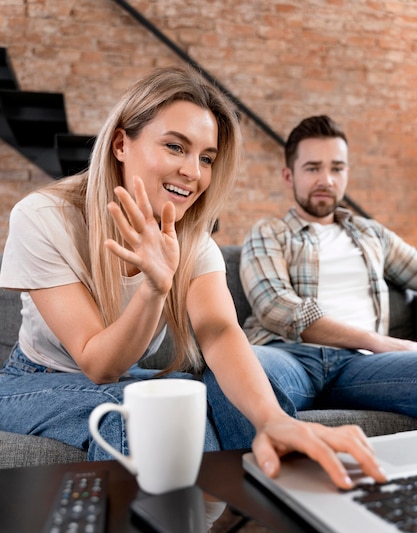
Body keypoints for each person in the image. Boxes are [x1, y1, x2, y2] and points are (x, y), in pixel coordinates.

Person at [0, 70, 385, 489]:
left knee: (200, 391)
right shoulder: (42, 217)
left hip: (119, 379)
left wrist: (272, 419)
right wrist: (154, 288)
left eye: (206, 157)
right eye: (175, 147)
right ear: (121, 144)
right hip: (34, 381)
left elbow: (219, 332)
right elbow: (99, 364)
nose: (192, 171)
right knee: (138, 409)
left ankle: (282, 502)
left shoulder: (191, 237)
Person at [236, 114, 417, 457]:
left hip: (363, 368)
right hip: (289, 355)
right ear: (289, 175)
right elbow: (276, 307)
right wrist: (379, 341)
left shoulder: (371, 234)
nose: (326, 179)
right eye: (313, 168)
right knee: (241, 371)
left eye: (336, 168)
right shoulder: (269, 233)